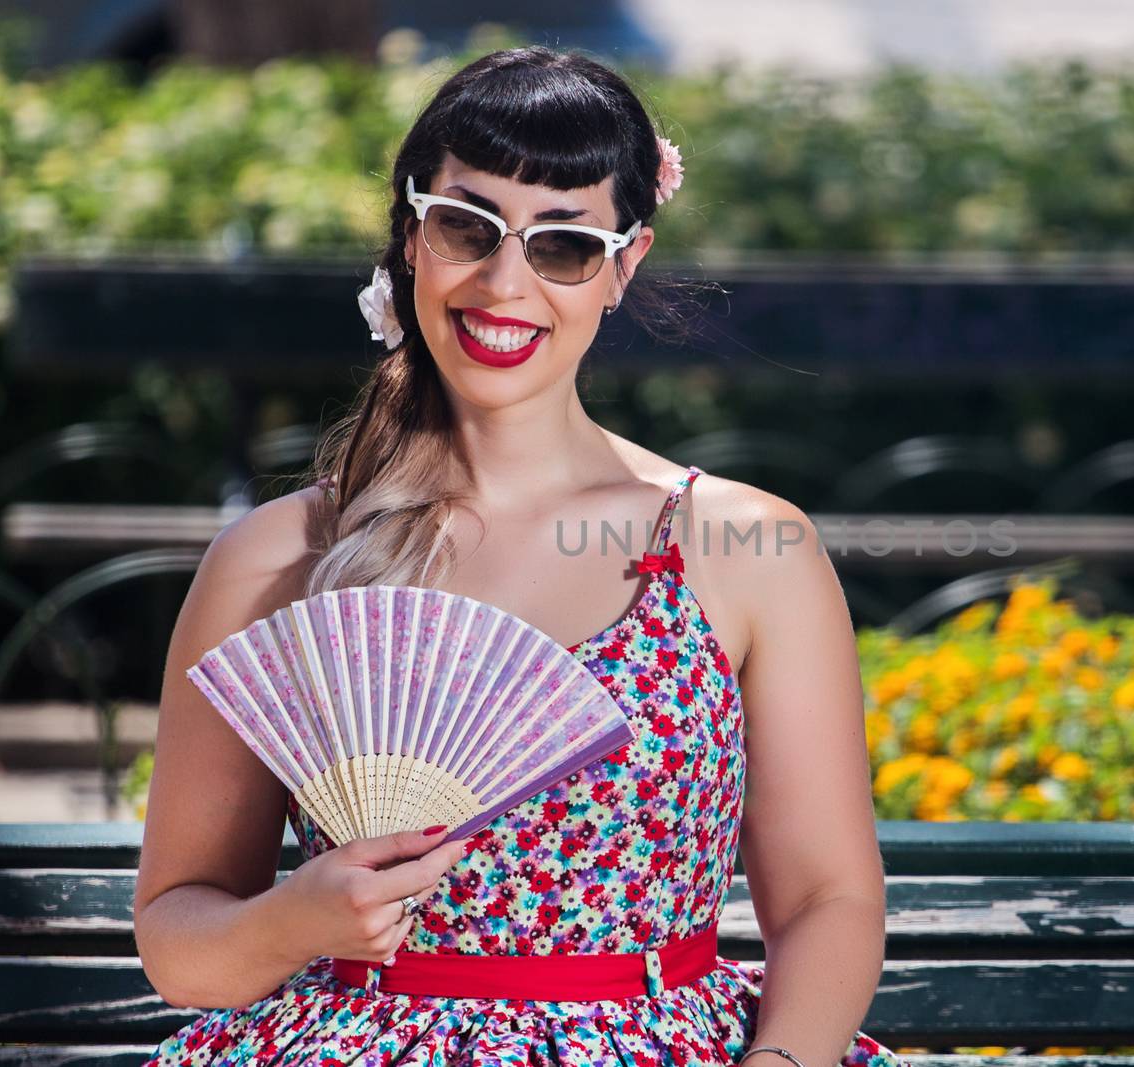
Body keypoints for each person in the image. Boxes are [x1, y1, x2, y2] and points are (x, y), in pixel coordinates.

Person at [132, 44, 907, 1067]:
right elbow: (182, 942)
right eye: (468, 226)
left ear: (623, 265)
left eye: (564, 246)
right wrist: (293, 922)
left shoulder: (741, 545)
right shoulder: (278, 558)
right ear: (413, 236)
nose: (506, 282)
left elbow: (827, 898)